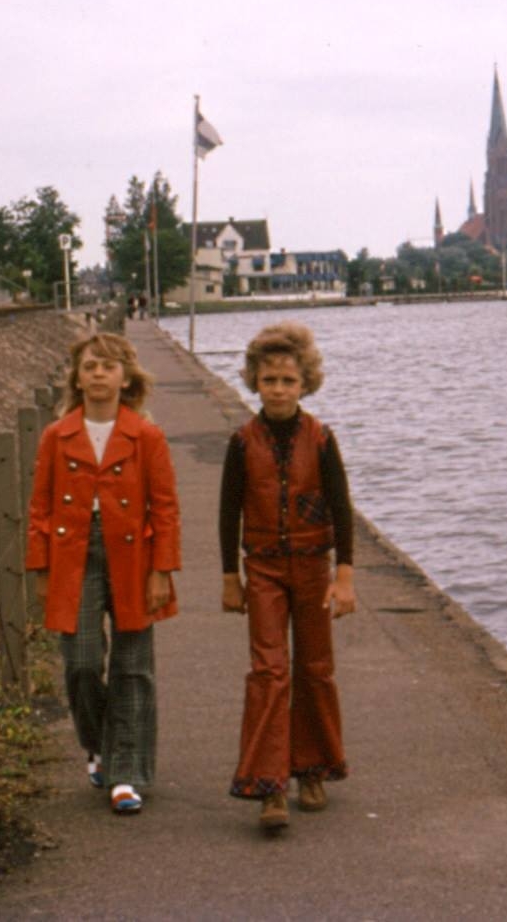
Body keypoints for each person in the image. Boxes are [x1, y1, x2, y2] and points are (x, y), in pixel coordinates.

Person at [26, 334, 181, 815]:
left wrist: (162, 570)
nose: (98, 374)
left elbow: (167, 508)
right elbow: (39, 508)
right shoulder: (57, 435)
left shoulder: (146, 435)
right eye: (90, 366)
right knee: (82, 663)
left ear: (126, 377)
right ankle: (98, 745)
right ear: (76, 376)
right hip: (75, 554)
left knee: (134, 667)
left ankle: (125, 774)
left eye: (108, 366)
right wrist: (40, 568)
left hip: (134, 556)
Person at [220, 322, 356, 832]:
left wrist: (344, 576)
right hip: (263, 568)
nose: (278, 389)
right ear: (254, 381)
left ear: (305, 384)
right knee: (269, 671)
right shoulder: (240, 442)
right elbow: (226, 512)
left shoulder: (321, 440)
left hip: (312, 566)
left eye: (288, 381)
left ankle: (312, 769)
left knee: (315, 668)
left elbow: (342, 510)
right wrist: (229, 576)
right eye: (269, 380)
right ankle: (269, 785)